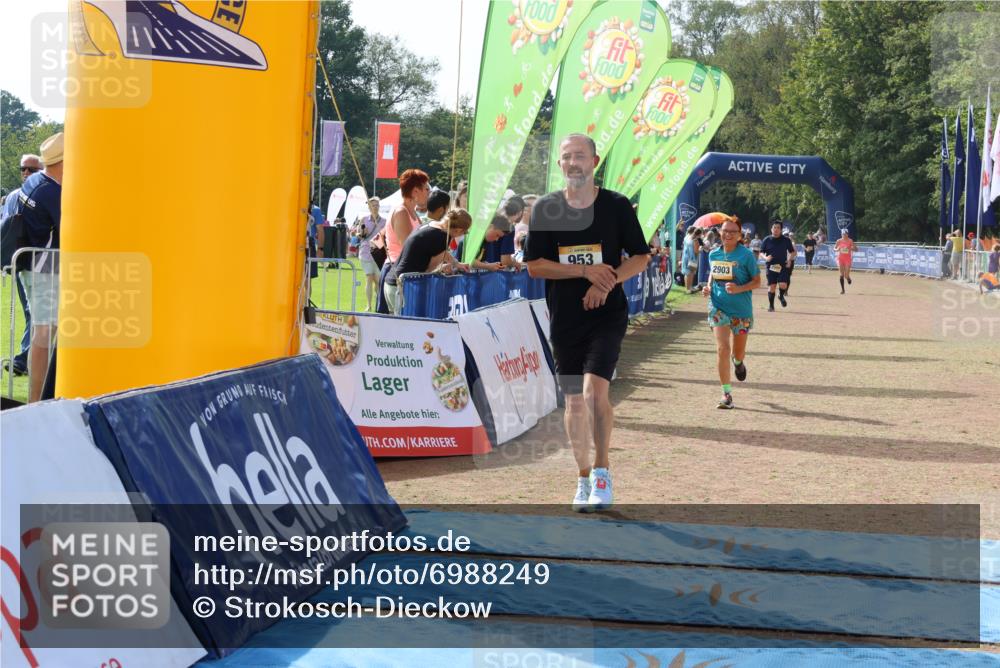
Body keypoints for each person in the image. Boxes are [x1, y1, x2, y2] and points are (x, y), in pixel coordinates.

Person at [524, 133, 651, 513]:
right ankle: (581, 477)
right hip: (564, 317)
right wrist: (585, 272)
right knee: (574, 402)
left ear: (595, 161)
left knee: (596, 392)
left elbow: (640, 257)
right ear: (560, 165)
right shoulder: (546, 209)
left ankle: (602, 471)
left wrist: (606, 280)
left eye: (580, 156)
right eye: (566, 157)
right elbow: (535, 267)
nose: (573, 163)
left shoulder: (616, 206)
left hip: (607, 314)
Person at [17, 133, 63, 403]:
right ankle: (36, 402)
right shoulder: (52, 192)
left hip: (31, 267)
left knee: (43, 331)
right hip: (46, 270)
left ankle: (39, 398)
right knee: (44, 333)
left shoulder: (35, 180)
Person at [702, 217, 761, 409]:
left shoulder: (746, 256)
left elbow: (757, 282)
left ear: (739, 236)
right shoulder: (713, 254)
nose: (728, 234)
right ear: (720, 232)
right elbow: (712, 273)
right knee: (722, 349)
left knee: (737, 352)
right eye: (725, 231)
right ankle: (726, 394)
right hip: (718, 307)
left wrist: (739, 288)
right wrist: (708, 287)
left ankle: (738, 362)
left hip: (741, 310)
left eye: (732, 232)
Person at [1, 153, 43, 377]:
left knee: (33, 312)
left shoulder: (16, 196)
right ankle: (24, 359)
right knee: (35, 312)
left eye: (32, 170)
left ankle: (25, 358)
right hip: (27, 262)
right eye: (23, 169)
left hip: (23, 261)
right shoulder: (17, 196)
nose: (26, 173)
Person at [386, 209, 472, 314]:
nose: (464, 234)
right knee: (407, 327)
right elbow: (428, 272)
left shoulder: (431, 224)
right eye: (465, 232)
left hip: (391, 283)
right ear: (458, 230)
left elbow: (439, 251)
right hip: (403, 288)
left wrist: (456, 264)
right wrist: (441, 269)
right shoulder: (444, 237)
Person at [381, 169, 430, 314]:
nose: (429, 193)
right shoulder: (401, 212)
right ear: (415, 191)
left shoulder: (413, 213)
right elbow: (409, 247)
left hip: (405, 273)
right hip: (397, 273)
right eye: (426, 189)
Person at [353, 197, 386, 311]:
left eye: (377, 205)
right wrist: (362, 233)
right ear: (369, 207)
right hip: (366, 252)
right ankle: (369, 304)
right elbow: (358, 234)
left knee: (378, 280)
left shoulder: (383, 221)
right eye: (373, 205)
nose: (375, 207)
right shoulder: (363, 219)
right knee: (369, 278)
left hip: (378, 253)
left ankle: (379, 303)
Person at [760, 221, 795, 311]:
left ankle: (781, 295)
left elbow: (792, 251)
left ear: (781, 230)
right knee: (772, 286)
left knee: (783, 285)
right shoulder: (767, 240)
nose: (775, 229)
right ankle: (771, 306)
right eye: (774, 227)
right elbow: (761, 252)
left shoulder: (786, 240)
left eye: (778, 228)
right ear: (771, 229)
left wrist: (789, 259)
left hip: (782, 266)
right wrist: (765, 257)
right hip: (770, 266)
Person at [834, 228, 857, 294]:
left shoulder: (850, 241)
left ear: (847, 234)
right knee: (841, 275)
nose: (843, 235)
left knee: (846, 275)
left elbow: (856, 249)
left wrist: (852, 248)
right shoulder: (838, 241)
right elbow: (834, 248)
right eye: (842, 234)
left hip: (847, 259)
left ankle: (848, 278)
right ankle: (843, 290)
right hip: (840, 259)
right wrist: (837, 249)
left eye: (845, 234)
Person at [681, 227, 702, 293]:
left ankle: (687, 288)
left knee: (686, 273)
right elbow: (696, 251)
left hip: (685, 257)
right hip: (692, 258)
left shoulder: (686, 237)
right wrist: (700, 249)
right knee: (691, 273)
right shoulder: (695, 240)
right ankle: (689, 288)